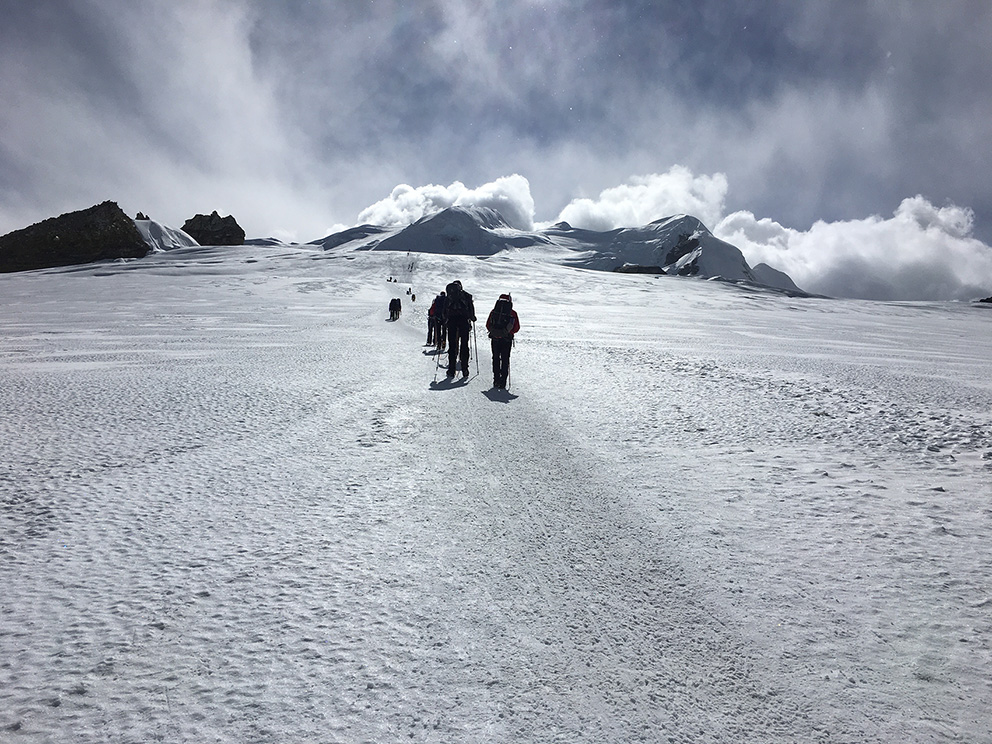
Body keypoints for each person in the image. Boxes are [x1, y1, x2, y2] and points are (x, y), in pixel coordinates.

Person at [486, 293, 520, 389]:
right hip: (507, 339)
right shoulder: (512, 313)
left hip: (495, 338)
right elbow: (517, 328)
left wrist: (496, 332)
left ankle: (496, 379)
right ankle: (503, 381)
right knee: (505, 359)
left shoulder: (494, 311)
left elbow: (488, 325)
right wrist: (509, 332)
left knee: (496, 358)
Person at [444, 280, 475, 377]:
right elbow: (471, 310)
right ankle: (464, 368)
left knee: (452, 346)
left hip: (452, 322)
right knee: (464, 345)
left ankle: (451, 370)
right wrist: (472, 318)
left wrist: (445, 320)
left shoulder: (449, 296)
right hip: (464, 322)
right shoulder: (466, 296)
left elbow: (444, 310)